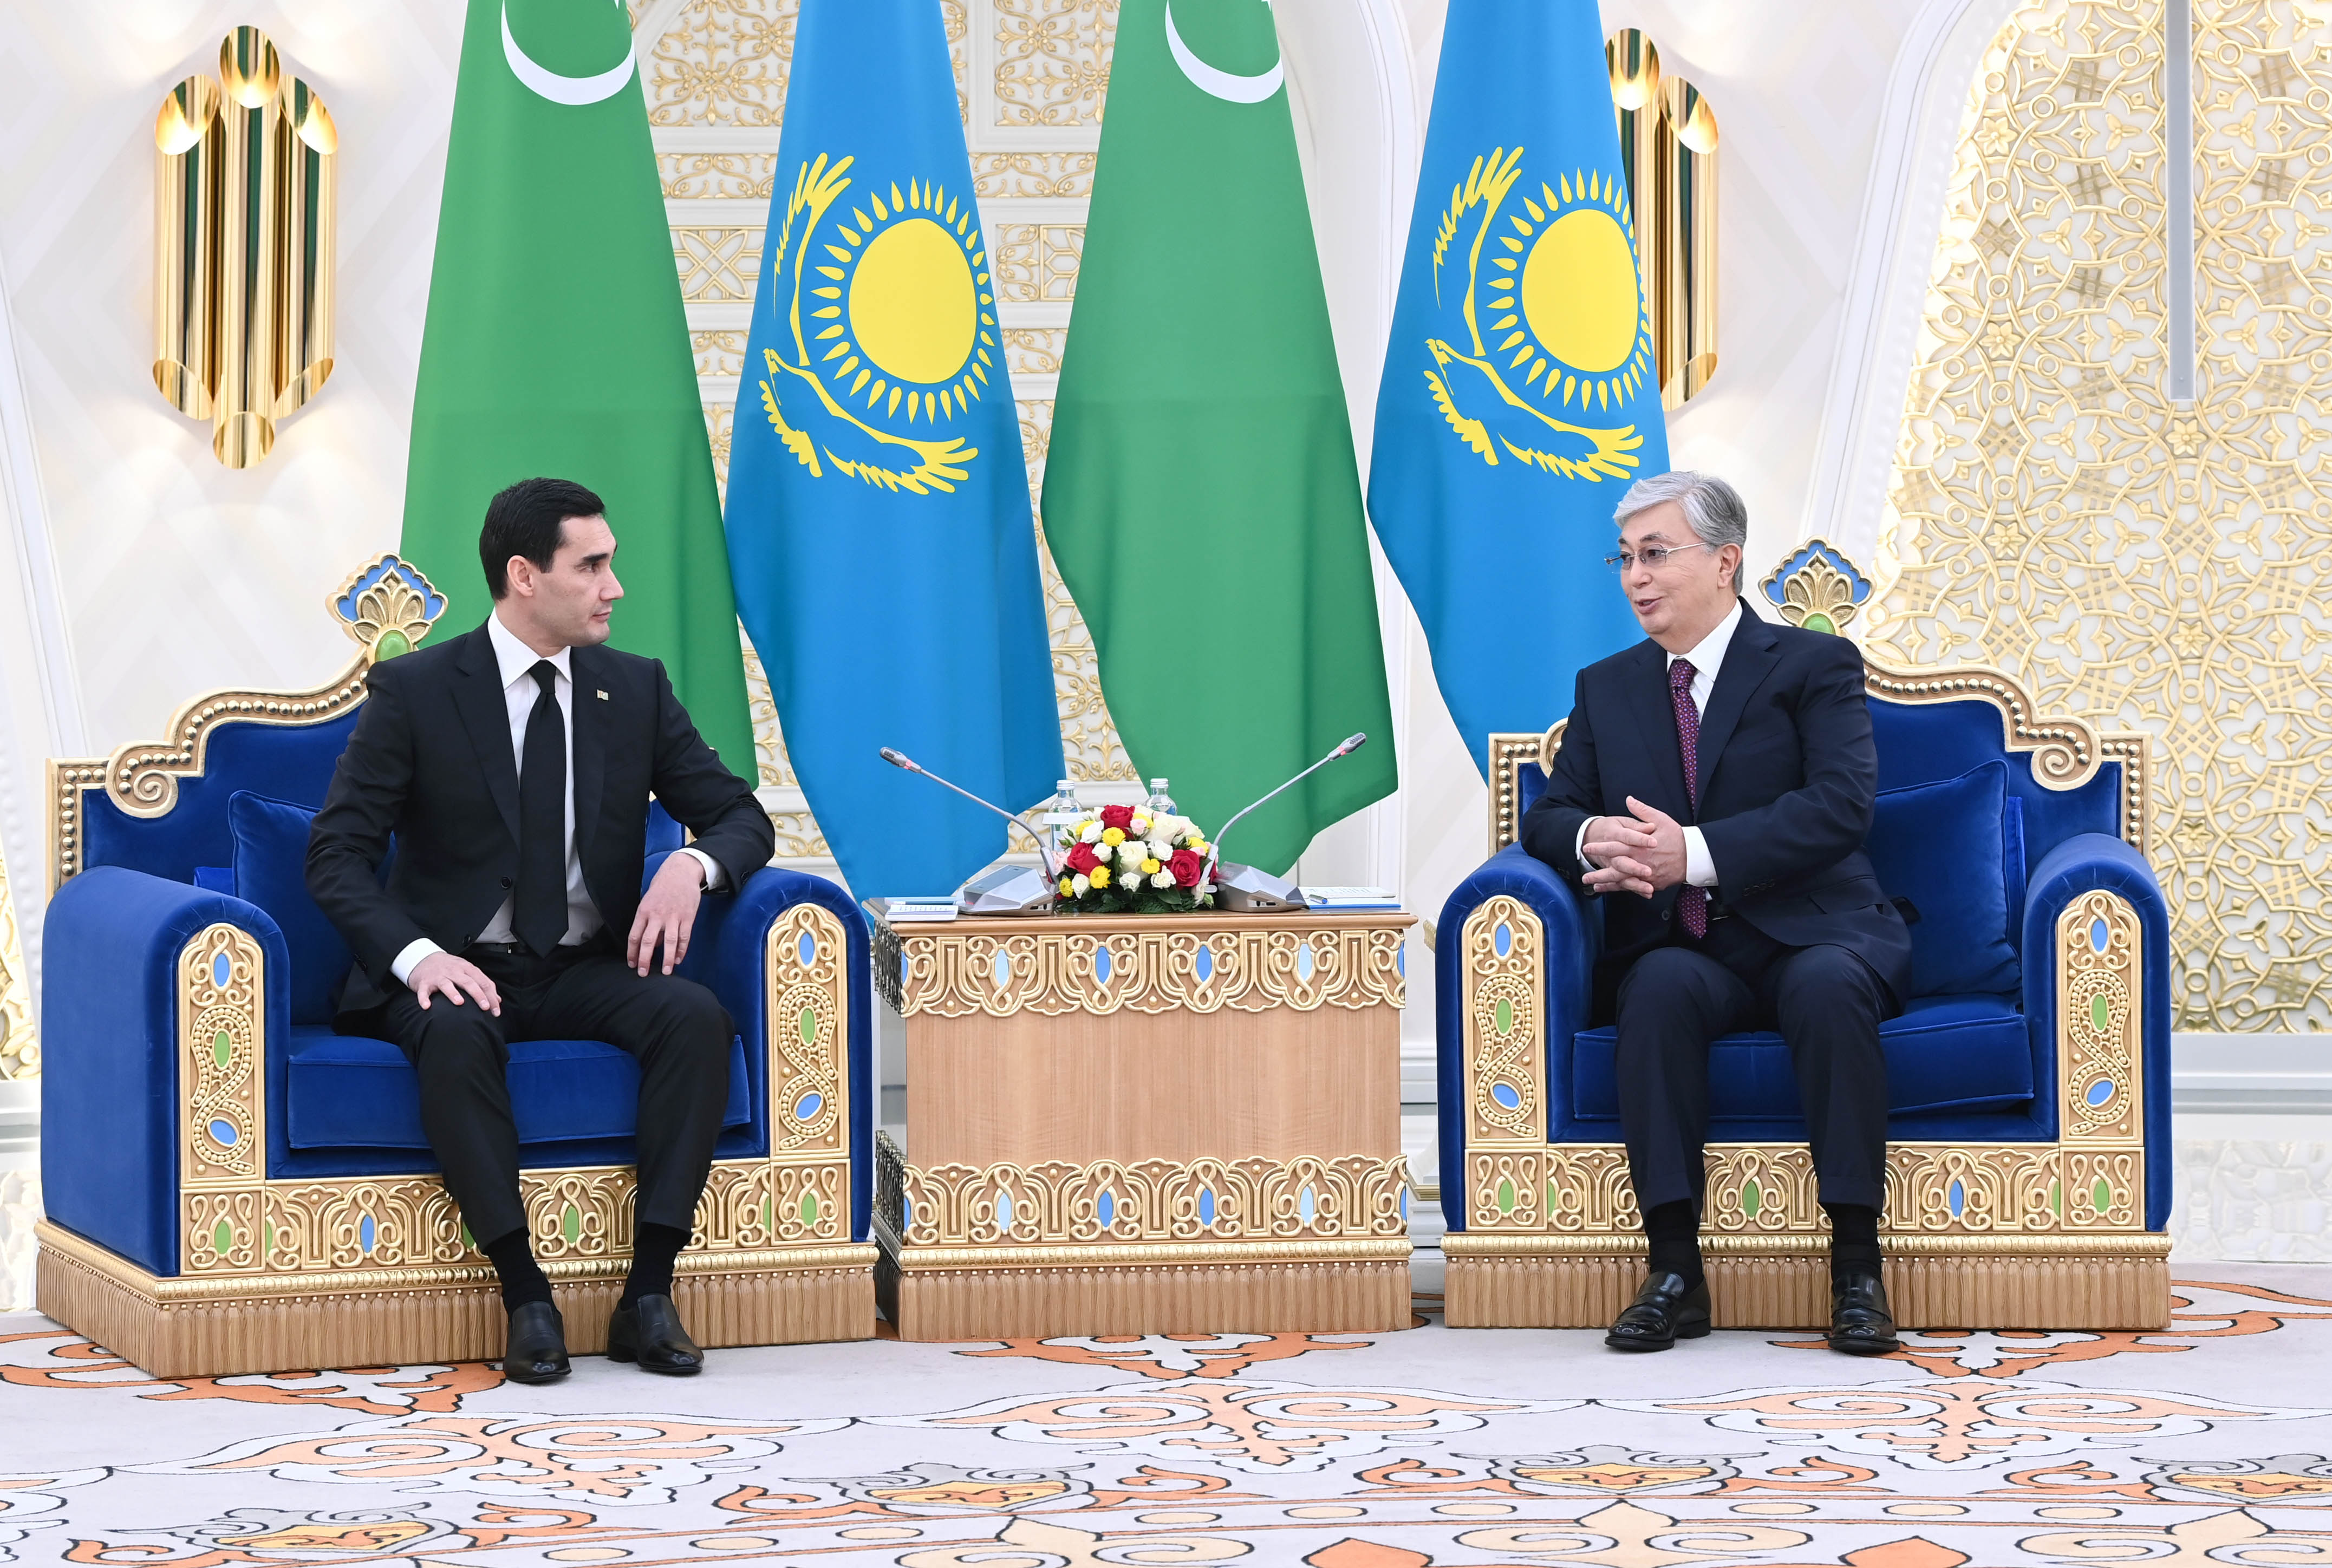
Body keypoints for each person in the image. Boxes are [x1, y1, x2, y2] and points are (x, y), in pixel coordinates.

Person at [307, 477, 776, 1383]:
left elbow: (737, 817)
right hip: (454, 966)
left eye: (610, 564)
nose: (614, 587)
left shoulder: (633, 688)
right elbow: (335, 855)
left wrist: (689, 867)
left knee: (693, 1019)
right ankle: (525, 1295)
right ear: (525, 576)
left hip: (579, 967)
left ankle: (648, 1294)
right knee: (453, 1033)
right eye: (590, 566)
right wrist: (418, 958)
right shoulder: (417, 690)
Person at [1519, 471, 1912, 1357]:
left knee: (1825, 988)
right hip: (1685, 945)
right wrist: (1592, 836)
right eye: (1625, 558)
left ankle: (1856, 1269)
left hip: (1813, 929)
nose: (1635, 577)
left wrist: (1689, 854)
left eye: (1655, 554)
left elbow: (1839, 807)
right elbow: (1547, 815)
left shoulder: (1811, 666)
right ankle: (1673, 1272)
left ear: (1725, 561)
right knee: (1655, 990)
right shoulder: (1607, 686)